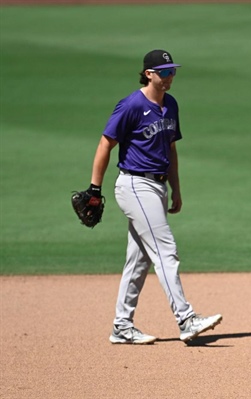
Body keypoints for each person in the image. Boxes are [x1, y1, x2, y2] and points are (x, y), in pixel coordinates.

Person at [86, 49, 222, 345]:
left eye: (173, 71)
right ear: (149, 74)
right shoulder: (131, 105)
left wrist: (176, 188)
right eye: (164, 72)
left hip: (157, 187)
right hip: (134, 185)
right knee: (165, 250)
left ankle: (121, 326)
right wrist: (95, 190)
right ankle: (186, 319)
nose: (170, 76)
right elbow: (105, 144)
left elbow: (170, 149)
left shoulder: (170, 104)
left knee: (139, 260)